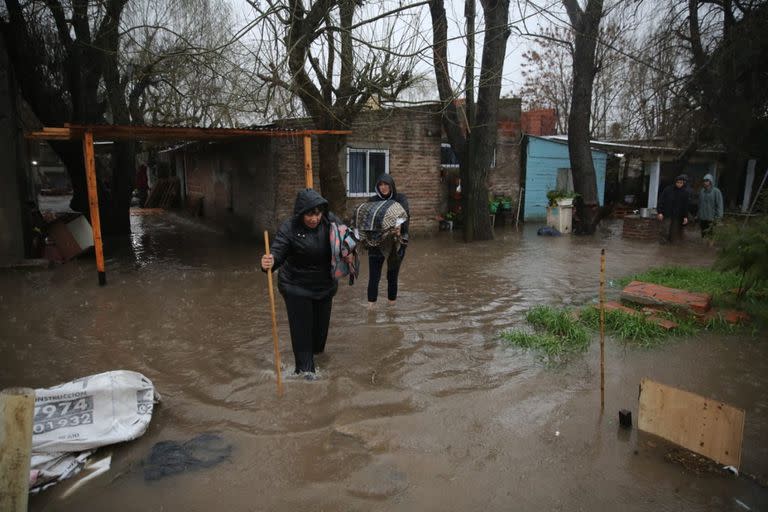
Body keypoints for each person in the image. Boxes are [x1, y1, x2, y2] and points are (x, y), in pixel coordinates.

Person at [260, 189, 344, 379]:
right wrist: (269, 261)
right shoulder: (289, 228)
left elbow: (346, 240)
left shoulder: (330, 221)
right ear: (301, 213)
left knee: (319, 344)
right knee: (303, 339)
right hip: (296, 287)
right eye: (309, 214)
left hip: (324, 287)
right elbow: (278, 252)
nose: (314, 218)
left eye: (317, 213)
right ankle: (305, 376)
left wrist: (351, 247)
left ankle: (315, 363)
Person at [367, 174, 409, 309]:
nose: (383, 187)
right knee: (374, 276)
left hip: (396, 243)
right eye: (380, 185)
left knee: (392, 275)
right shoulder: (372, 200)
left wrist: (398, 227)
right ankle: (371, 307)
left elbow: (404, 214)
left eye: (386, 184)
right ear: (377, 187)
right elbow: (367, 219)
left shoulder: (400, 199)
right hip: (376, 243)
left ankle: (391, 307)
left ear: (391, 186)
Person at [657, 174, 690, 243]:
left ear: (683, 183)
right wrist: (660, 212)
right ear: (675, 182)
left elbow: (685, 206)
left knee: (674, 233)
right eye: (678, 182)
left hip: (677, 215)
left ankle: (671, 246)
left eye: (681, 183)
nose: (679, 184)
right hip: (667, 213)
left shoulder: (685, 192)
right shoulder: (668, 190)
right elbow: (661, 201)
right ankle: (662, 245)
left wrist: (685, 217)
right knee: (665, 229)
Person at [697, 173, 723, 238]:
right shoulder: (702, 191)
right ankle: (703, 245)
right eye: (704, 181)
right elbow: (700, 204)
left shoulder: (716, 191)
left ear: (710, 181)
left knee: (710, 233)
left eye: (707, 180)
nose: (705, 182)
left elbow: (719, 205)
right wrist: (698, 215)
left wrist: (719, 217)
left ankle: (709, 245)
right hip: (703, 216)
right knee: (703, 232)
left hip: (711, 217)